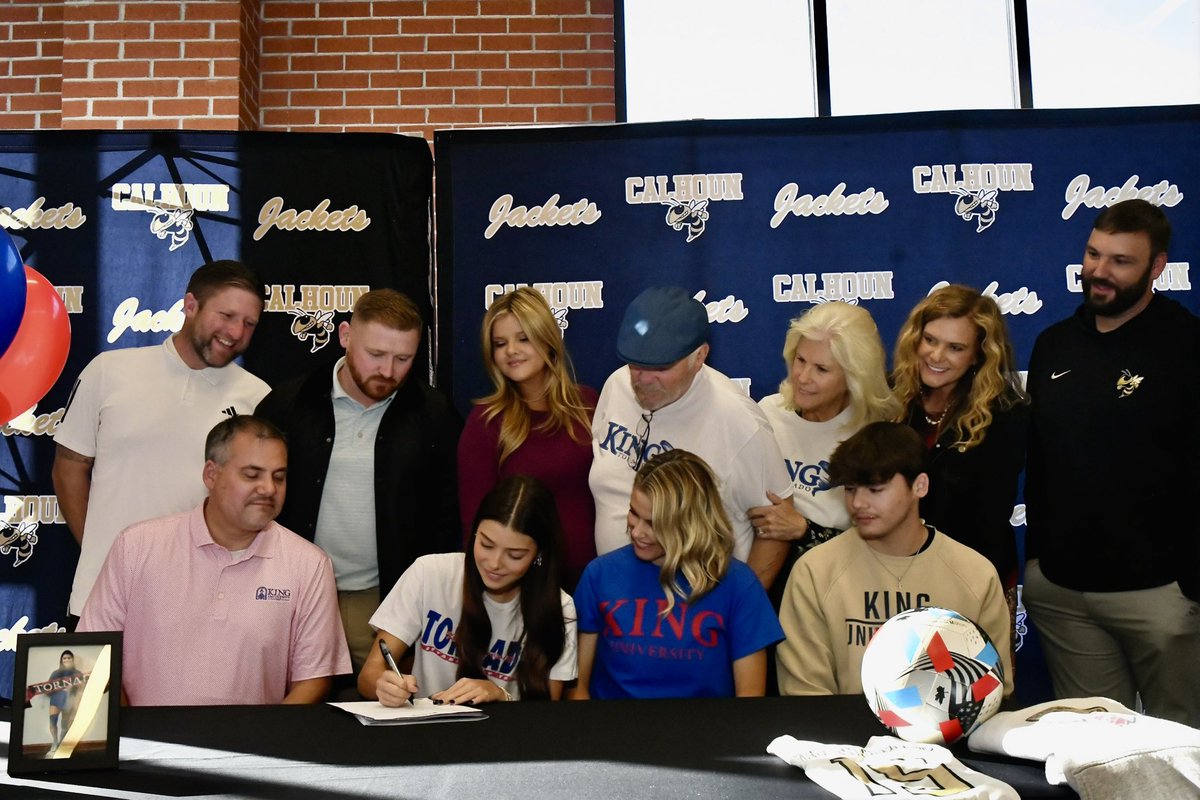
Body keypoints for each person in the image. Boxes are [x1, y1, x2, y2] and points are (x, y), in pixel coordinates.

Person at [1024, 198, 1200, 726]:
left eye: (1121, 261)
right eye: (1093, 254)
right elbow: (1042, 461)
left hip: (1160, 597)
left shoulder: (1189, 346)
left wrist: (1188, 586)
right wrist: (1038, 566)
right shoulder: (1053, 344)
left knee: (1184, 749)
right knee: (1095, 754)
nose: (1099, 271)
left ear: (1157, 267)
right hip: (1063, 595)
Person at [78, 416, 350, 705]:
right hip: (145, 744)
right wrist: (132, 736)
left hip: (252, 746)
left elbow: (314, 680)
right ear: (211, 474)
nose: (269, 489)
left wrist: (264, 744)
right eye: (252, 474)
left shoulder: (310, 565)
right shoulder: (136, 546)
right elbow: (94, 655)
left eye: (278, 477)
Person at [256, 289, 461, 673]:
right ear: (345, 335)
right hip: (293, 596)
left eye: (403, 359)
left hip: (386, 605)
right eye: (376, 354)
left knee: (389, 717)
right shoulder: (288, 404)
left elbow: (447, 520)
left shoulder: (433, 415)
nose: (388, 371)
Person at [54, 260, 270, 619]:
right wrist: (104, 553)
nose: (236, 332)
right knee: (89, 678)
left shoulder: (258, 397)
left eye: (249, 323)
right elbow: (69, 469)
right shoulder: (109, 371)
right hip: (102, 598)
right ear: (190, 305)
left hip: (202, 605)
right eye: (227, 315)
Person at [776, 422, 1013, 697]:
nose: (858, 503)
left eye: (875, 490)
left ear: (920, 486)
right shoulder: (814, 571)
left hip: (950, 739)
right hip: (842, 735)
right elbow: (806, 696)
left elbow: (995, 690)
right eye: (850, 489)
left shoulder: (975, 574)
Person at [589, 286, 793, 589]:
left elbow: (776, 529)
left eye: (660, 367)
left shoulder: (739, 421)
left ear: (699, 357)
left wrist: (742, 613)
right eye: (635, 363)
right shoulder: (617, 385)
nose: (642, 379)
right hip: (617, 601)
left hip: (696, 610)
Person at [572, 449, 782, 699]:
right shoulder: (600, 575)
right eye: (633, 513)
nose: (637, 532)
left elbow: (750, 697)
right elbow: (577, 689)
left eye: (654, 523)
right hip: (614, 733)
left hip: (705, 734)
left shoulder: (739, 585)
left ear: (689, 523)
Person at [359, 475, 577, 705]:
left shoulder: (560, 608)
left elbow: (548, 713)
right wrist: (385, 688)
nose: (494, 563)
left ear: (538, 555)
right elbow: (368, 677)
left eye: (515, 555)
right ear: (474, 533)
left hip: (509, 734)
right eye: (486, 544)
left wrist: (500, 695)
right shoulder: (430, 573)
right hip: (425, 729)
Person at [891, 285, 1028, 600]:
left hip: (973, 581)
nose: (936, 356)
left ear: (978, 353)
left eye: (955, 347)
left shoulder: (1004, 413)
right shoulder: (891, 396)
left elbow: (988, 518)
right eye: (930, 340)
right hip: (896, 577)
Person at [458, 287, 597, 592]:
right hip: (525, 587)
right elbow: (475, 524)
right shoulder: (486, 422)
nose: (511, 351)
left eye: (523, 338)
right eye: (500, 343)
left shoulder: (590, 405)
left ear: (548, 340)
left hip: (593, 581)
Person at [750, 301, 898, 563]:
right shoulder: (768, 413)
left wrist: (803, 530)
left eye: (821, 369)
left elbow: (883, 545)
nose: (803, 377)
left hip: (838, 579)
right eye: (800, 360)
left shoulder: (873, 436)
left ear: (854, 377)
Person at [46, 650, 82, 751]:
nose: (66, 660)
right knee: (52, 722)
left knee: (65, 725)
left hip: (69, 700)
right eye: (64, 658)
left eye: (69, 658)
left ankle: (62, 742)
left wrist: (76, 686)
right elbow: (47, 687)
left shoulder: (78, 673)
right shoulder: (56, 673)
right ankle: (55, 741)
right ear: (61, 660)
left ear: (72, 659)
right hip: (56, 699)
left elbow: (82, 687)